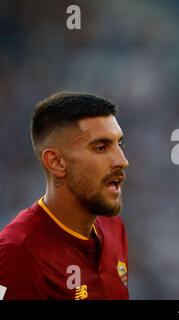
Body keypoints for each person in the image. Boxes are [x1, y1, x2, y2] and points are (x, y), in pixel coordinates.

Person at [0, 92, 130, 300]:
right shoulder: (17, 253)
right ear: (56, 162)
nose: (122, 160)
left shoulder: (113, 226)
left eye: (119, 144)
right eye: (101, 147)